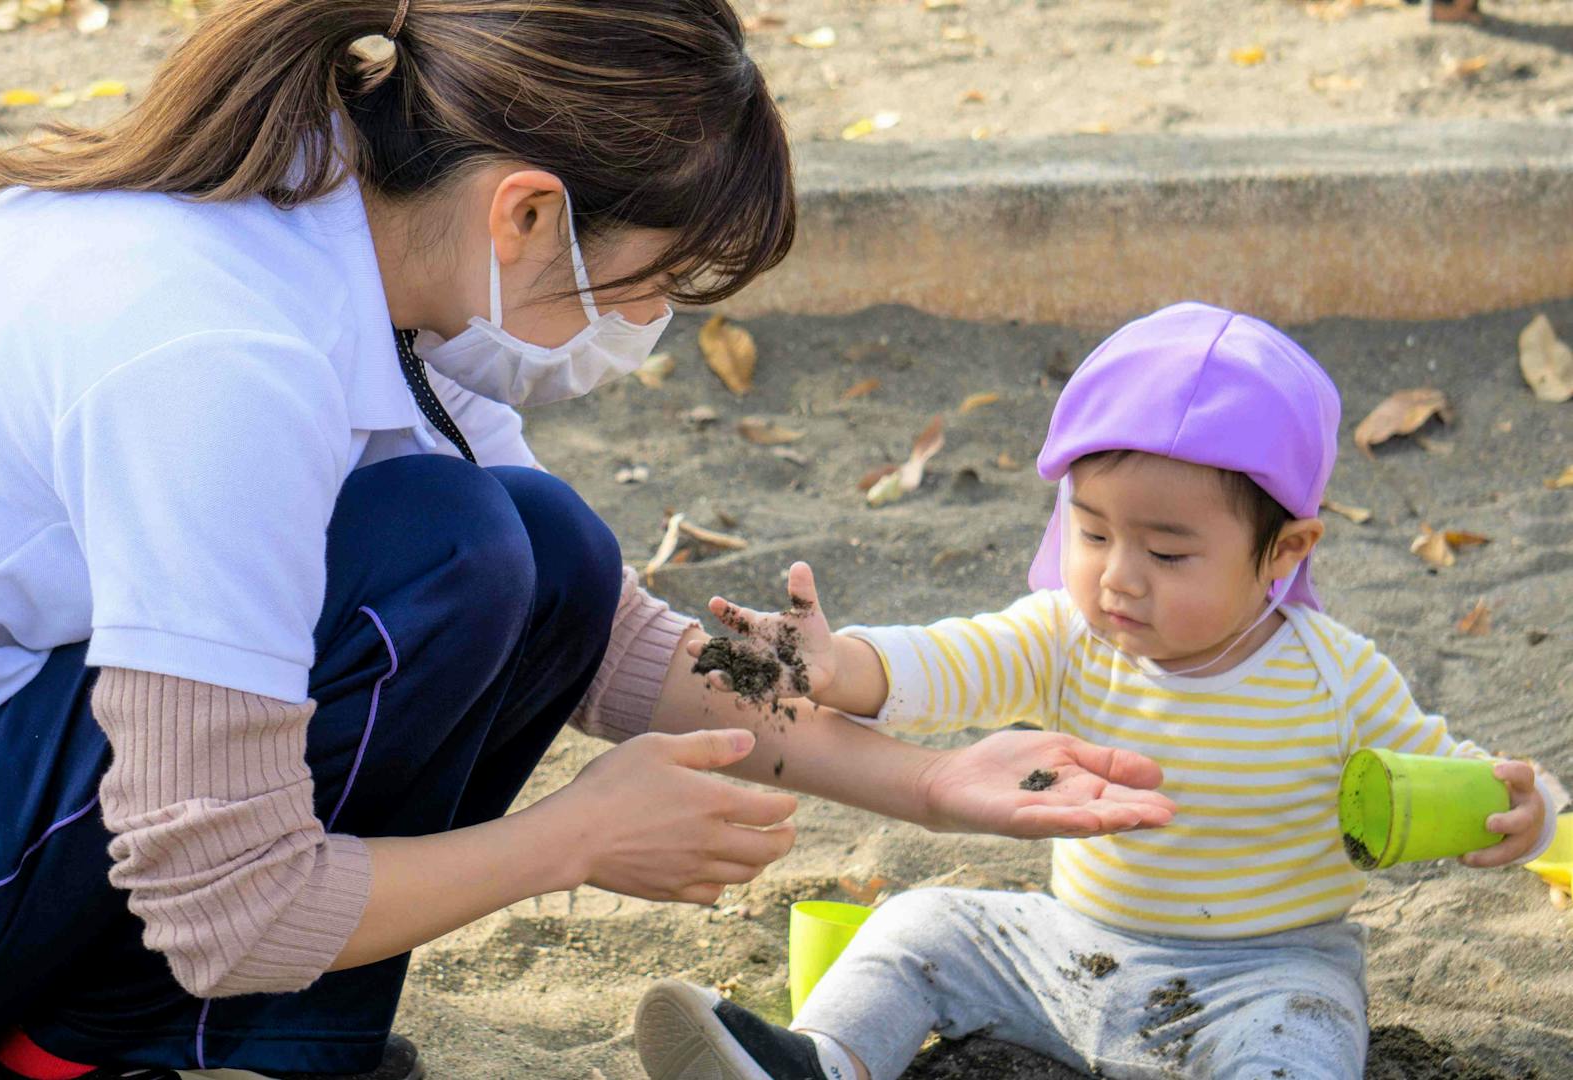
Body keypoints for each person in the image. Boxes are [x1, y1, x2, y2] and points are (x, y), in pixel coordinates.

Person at [0, 3, 1176, 1079]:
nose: (648, 322)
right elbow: (227, 897)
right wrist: (571, 841)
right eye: (649, 281)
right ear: (527, 215)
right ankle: (94, 1059)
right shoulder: (219, 357)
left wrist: (928, 780)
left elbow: (604, 639)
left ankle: (258, 1053)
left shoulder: (351, 221)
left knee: (537, 546)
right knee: (449, 550)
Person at [633, 302, 1557, 1080]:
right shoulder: (1067, 637)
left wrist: (1530, 811)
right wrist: (841, 667)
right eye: (1093, 533)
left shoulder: (1337, 675)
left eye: (1168, 553)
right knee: (921, 924)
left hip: (1266, 974)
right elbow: (948, 662)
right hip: (1067, 952)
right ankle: (822, 1062)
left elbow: (1460, 778)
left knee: (1303, 1041)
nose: (1118, 578)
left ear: (1285, 551)